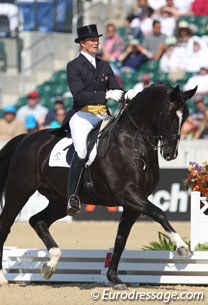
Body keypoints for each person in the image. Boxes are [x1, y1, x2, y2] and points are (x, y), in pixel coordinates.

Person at [65, 24, 130, 216]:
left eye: (97, 39)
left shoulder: (104, 65)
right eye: (92, 40)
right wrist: (107, 94)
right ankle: (72, 196)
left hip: (102, 114)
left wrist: (127, 94)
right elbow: (80, 95)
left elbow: (115, 88)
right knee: (83, 149)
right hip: (83, 115)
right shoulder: (74, 66)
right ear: (82, 44)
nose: (96, 43)